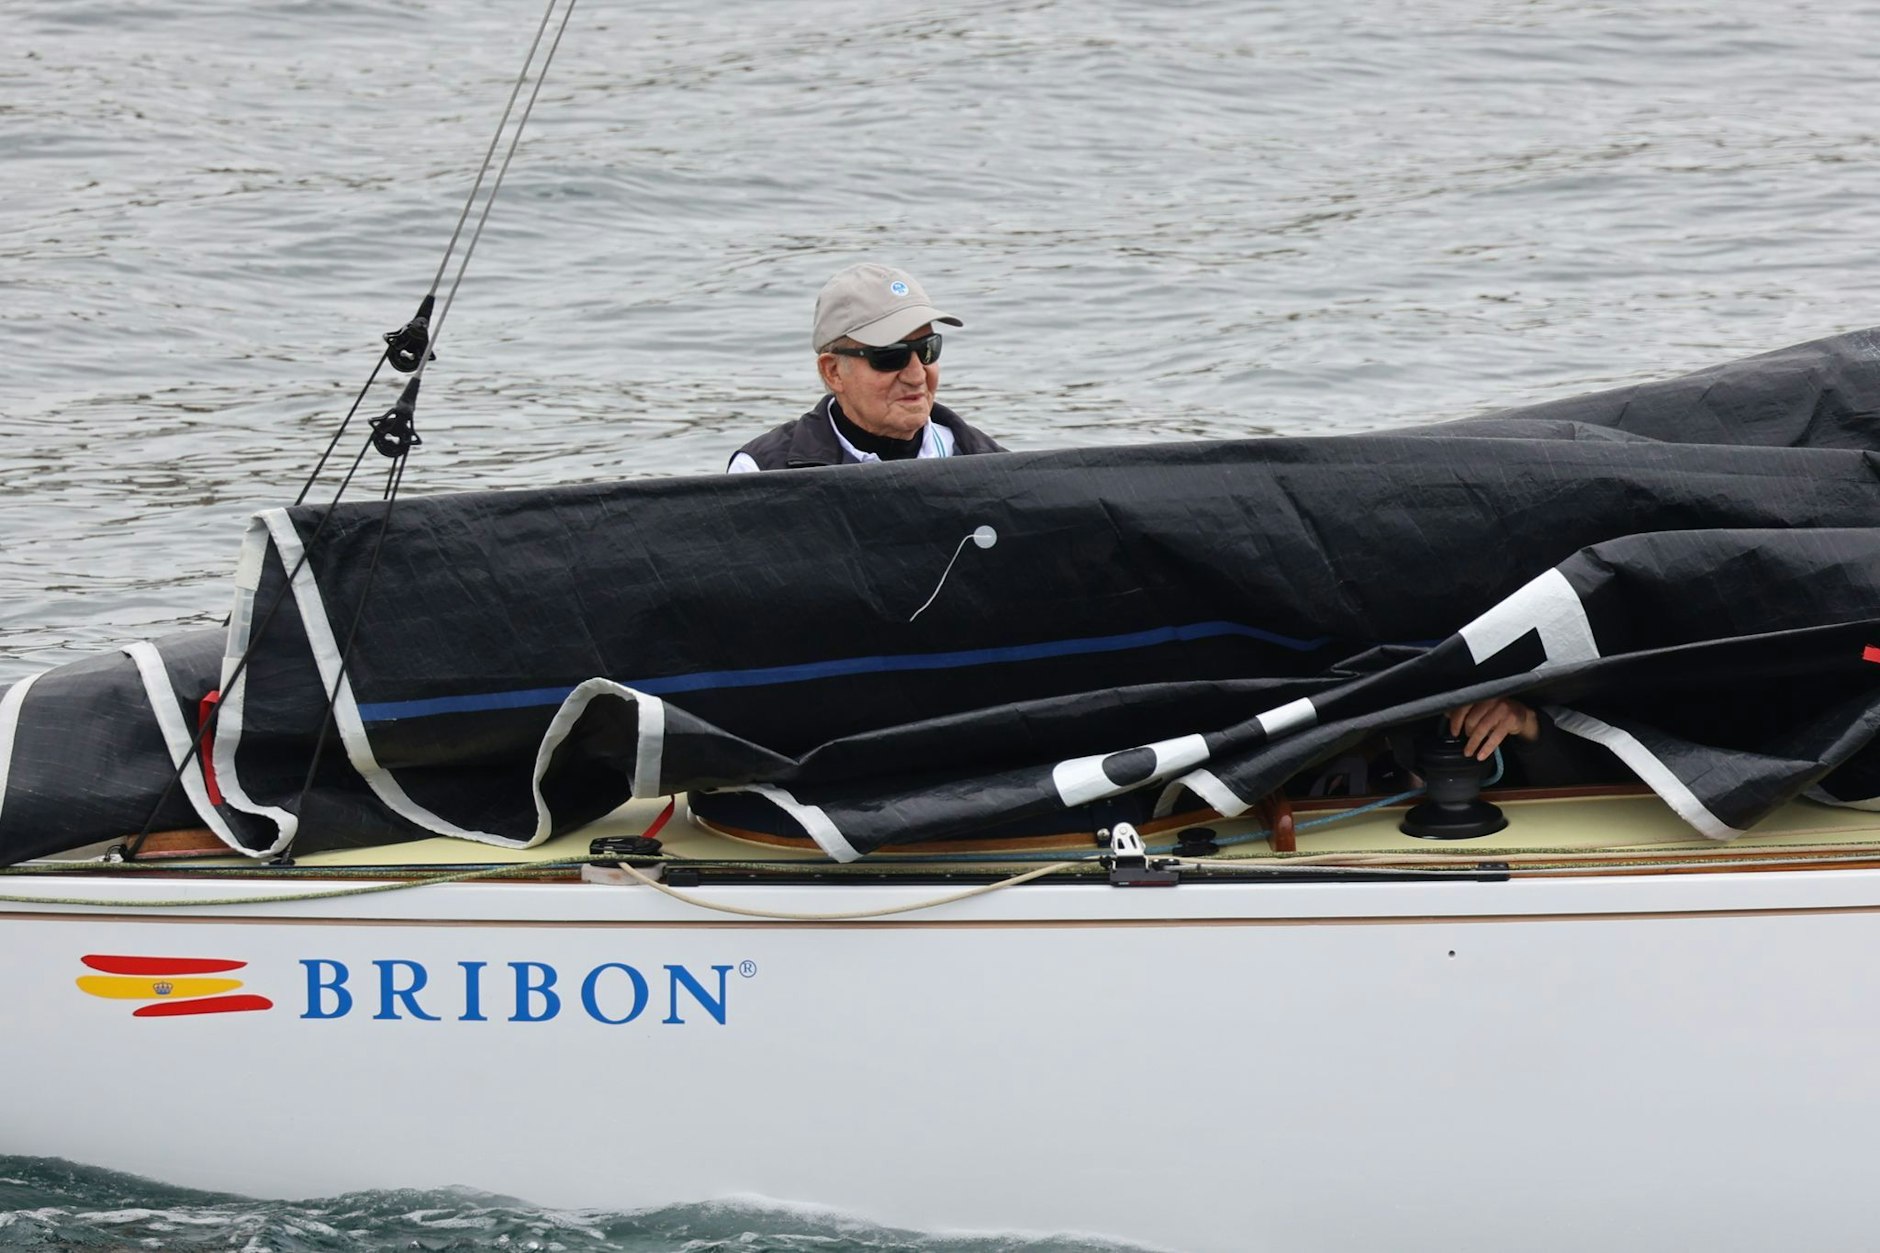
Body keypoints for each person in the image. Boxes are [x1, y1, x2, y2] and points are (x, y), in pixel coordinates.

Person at [727, 263, 1004, 472]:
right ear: (832, 371)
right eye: (889, 357)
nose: (917, 375)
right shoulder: (760, 471)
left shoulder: (995, 467)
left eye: (927, 350)